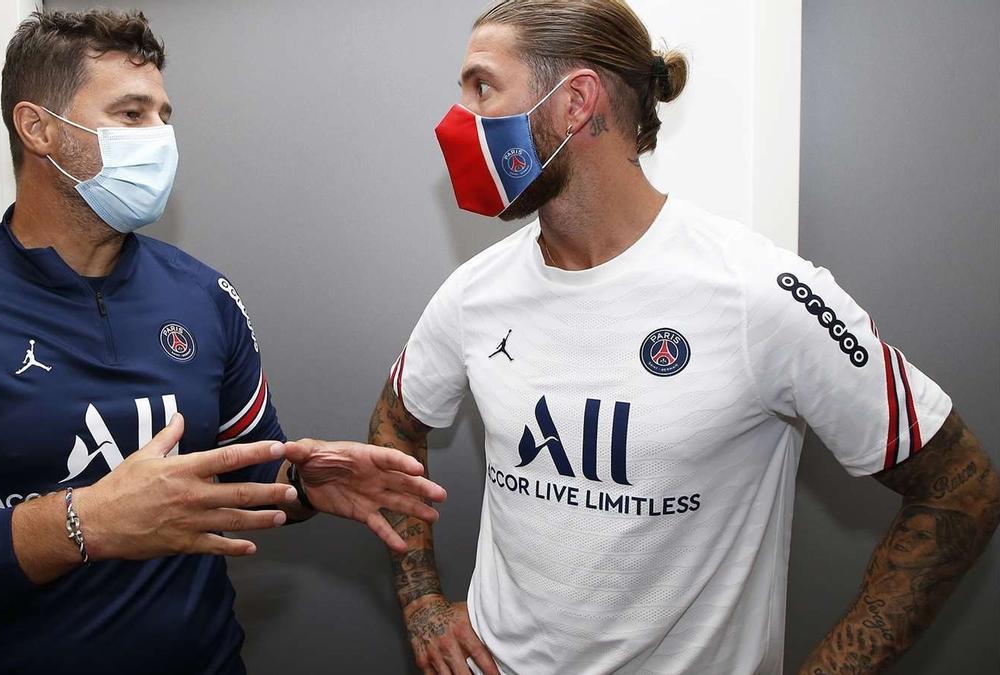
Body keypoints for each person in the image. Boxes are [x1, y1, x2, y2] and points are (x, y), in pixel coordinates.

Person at [368, 1, 1000, 674]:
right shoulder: (475, 292)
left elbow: (961, 486)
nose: (456, 119)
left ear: (577, 100)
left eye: (481, 87)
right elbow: (395, 422)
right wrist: (423, 603)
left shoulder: (757, 292)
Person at [0, 10, 445, 675]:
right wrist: (85, 523)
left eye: (165, 115)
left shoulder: (204, 296)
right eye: (132, 113)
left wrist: (302, 484)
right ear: (39, 129)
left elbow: (240, 471)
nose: (162, 137)